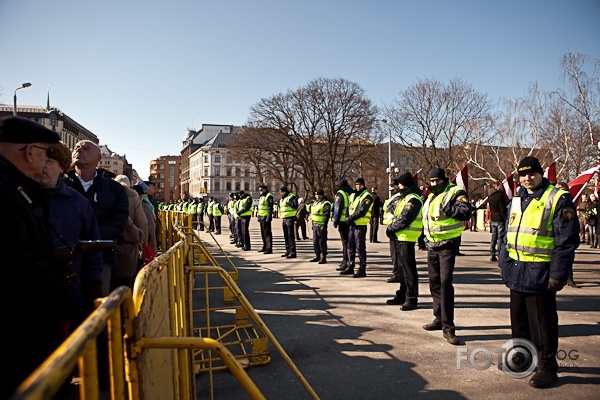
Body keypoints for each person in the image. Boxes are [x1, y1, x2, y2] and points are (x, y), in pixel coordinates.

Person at [0, 116, 74, 398]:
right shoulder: (7, 191)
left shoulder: (18, 186)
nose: (45, 161)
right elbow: (22, 262)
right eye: (44, 152)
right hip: (20, 322)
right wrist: (64, 300)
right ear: (30, 151)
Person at [499, 156, 579, 389]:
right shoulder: (516, 199)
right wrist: (504, 263)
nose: (527, 178)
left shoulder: (557, 198)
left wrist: (558, 274)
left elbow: (566, 240)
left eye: (532, 173)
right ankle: (523, 357)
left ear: (540, 173)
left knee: (542, 324)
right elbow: (506, 234)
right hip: (516, 270)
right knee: (519, 320)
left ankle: (547, 367)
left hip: (541, 273)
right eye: (523, 174)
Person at [40, 141, 104, 337]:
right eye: (40, 159)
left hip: (69, 287)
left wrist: (93, 287)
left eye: (49, 161)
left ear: (61, 167)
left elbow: (94, 246)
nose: (42, 165)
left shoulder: (78, 203)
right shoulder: (20, 197)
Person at [64, 140, 129, 296]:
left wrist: (94, 238)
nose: (79, 151)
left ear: (98, 157)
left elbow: (119, 219)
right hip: (66, 257)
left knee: (97, 306)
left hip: (101, 257)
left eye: (85, 149)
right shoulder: (61, 184)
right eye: (76, 148)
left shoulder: (113, 188)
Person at [421, 167, 471, 346]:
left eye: (437, 181)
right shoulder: (431, 196)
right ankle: (438, 317)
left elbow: (466, 212)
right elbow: (427, 218)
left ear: (445, 180)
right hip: (432, 245)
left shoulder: (455, 192)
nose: (434, 184)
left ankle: (449, 327)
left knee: (445, 283)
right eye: (431, 181)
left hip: (448, 245)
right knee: (434, 282)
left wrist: (449, 208)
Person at [385, 172, 423, 311]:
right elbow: (395, 212)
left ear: (405, 185)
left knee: (409, 271)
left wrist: (391, 229)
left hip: (408, 238)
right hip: (399, 237)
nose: (397, 187)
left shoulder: (413, 199)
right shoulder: (404, 197)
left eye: (399, 184)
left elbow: (405, 218)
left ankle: (411, 298)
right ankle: (402, 294)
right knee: (401, 270)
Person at [112, 175, 148, 290]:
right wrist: (144, 242)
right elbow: (142, 223)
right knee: (126, 285)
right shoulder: (134, 199)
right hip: (128, 246)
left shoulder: (108, 195)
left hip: (108, 245)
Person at [340, 177, 373, 278]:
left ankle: (362, 268)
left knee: (360, 247)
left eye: (359, 184)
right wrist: (347, 218)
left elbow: (362, 210)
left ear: (363, 185)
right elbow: (349, 208)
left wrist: (350, 218)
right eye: (356, 184)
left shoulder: (367, 196)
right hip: (352, 225)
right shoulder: (353, 195)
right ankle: (350, 265)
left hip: (360, 225)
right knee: (350, 246)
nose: (357, 186)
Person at [332, 179, 353, 271]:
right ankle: (348, 260)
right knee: (349, 242)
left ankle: (345, 262)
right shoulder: (351, 193)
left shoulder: (340, 193)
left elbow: (337, 208)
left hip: (342, 221)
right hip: (350, 220)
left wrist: (335, 221)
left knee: (345, 243)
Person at [309, 189, 332, 264]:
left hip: (321, 224)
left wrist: (324, 224)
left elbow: (326, 215)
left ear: (322, 195)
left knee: (322, 241)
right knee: (315, 241)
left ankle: (323, 257)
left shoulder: (326, 203)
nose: (317, 196)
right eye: (316, 195)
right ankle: (317, 255)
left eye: (319, 195)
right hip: (315, 224)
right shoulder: (315, 203)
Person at [488, 180, 508, 262]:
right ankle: (500, 254)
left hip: (493, 218)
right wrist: (505, 219)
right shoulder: (499, 195)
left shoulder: (490, 195)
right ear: (498, 186)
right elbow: (502, 209)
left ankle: (492, 254)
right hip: (500, 219)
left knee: (493, 237)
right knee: (500, 238)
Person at [279, 186, 299, 258]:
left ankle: (293, 252)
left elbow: (295, 205)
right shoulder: (283, 198)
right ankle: (288, 250)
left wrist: (289, 203)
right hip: (284, 218)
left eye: (282, 192)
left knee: (290, 236)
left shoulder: (291, 196)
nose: (281, 193)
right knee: (286, 236)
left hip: (290, 218)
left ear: (285, 191)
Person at [257, 184, 275, 254]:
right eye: (259, 190)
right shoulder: (262, 196)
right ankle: (264, 246)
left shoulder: (269, 196)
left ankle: (269, 248)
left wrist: (269, 217)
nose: (260, 191)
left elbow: (270, 208)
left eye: (261, 190)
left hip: (265, 217)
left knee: (267, 233)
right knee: (263, 233)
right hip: (261, 217)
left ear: (265, 189)